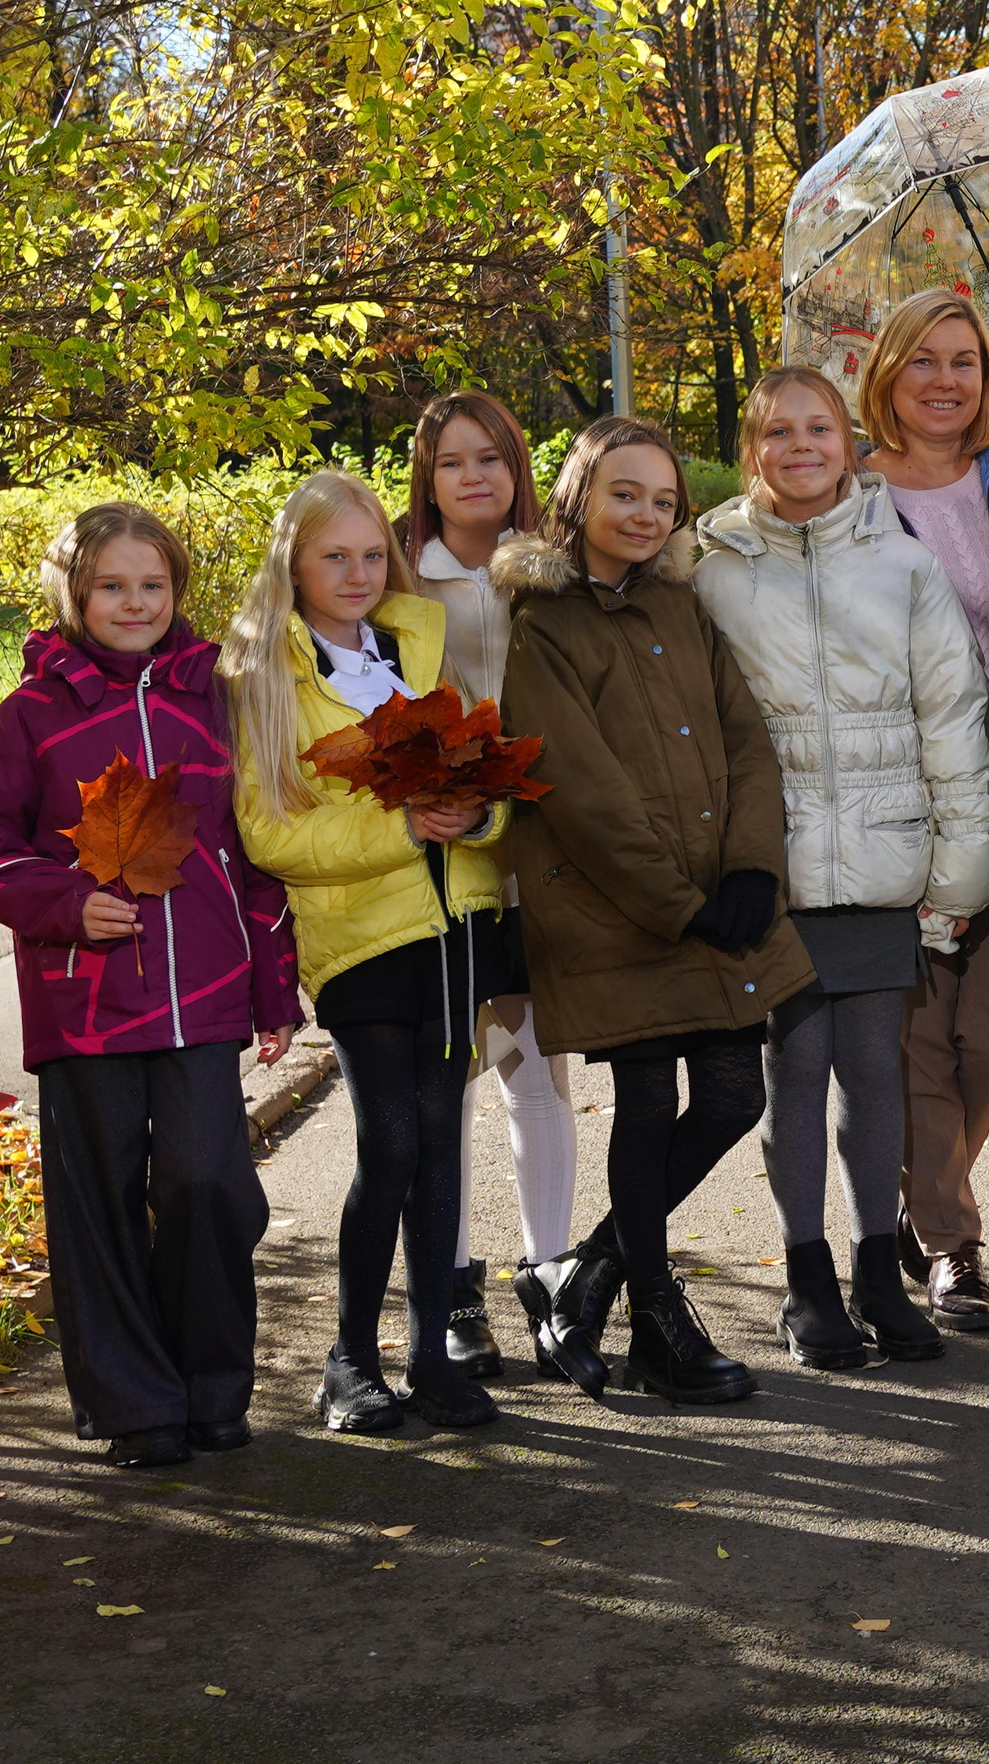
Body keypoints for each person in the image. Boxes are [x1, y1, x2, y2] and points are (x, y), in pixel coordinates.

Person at [0, 504, 297, 1469]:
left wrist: (274, 990)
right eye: (111, 586)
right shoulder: (32, 715)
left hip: (206, 996)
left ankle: (213, 1386)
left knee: (210, 1185)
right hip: (86, 1002)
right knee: (99, 1200)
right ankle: (136, 1406)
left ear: (178, 593)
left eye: (152, 585)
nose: (134, 603)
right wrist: (64, 905)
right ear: (74, 595)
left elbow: (257, 857)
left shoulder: (217, 701)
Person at [495, 416, 810, 1406]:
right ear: (580, 496)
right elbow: (576, 787)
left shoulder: (682, 603)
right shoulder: (545, 625)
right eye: (623, 492)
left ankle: (588, 1275)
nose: (644, 512)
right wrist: (679, 903)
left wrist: (754, 869)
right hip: (617, 910)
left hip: (717, 897)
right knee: (645, 1102)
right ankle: (658, 1323)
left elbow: (746, 737)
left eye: (663, 499)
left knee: (730, 1096)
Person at [694, 366, 989, 1370]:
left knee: (874, 1069)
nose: (801, 445)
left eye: (818, 426)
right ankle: (805, 1276)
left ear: (848, 439)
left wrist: (958, 866)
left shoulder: (899, 563)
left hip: (879, 851)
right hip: (766, 866)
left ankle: (875, 1267)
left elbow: (950, 716)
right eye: (777, 430)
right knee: (796, 1067)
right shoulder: (712, 561)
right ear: (752, 451)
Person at [225, 472, 509, 1433]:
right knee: (387, 1142)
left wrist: (478, 814)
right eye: (331, 556)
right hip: (358, 941)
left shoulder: (419, 646)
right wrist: (406, 832)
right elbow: (271, 838)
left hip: (455, 924)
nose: (356, 573)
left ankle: (431, 1359)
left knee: (438, 1145)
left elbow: (486, 764)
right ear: (293, 564)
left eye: (371, 555)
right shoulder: (264, 676)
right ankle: (349, 1358)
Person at [857, 290, 989, 1335]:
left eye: (965, 362)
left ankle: (927, 1196)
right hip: (901, 801)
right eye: (924, 359)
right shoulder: (846, 497)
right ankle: (951, 1241)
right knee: (916, 1033)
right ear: (886, 371)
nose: (945, 379)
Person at [401, 390, 578, 1381]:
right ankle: (453, 1285)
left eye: (491, 459)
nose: (473, 477)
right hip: (435, 860)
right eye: (451, 462)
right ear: (426, 479)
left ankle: (548, 1275)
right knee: (447, 1082)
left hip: (534, 856)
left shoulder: (550, 578)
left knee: (536, 1069)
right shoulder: (396, 581)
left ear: (518, 468)